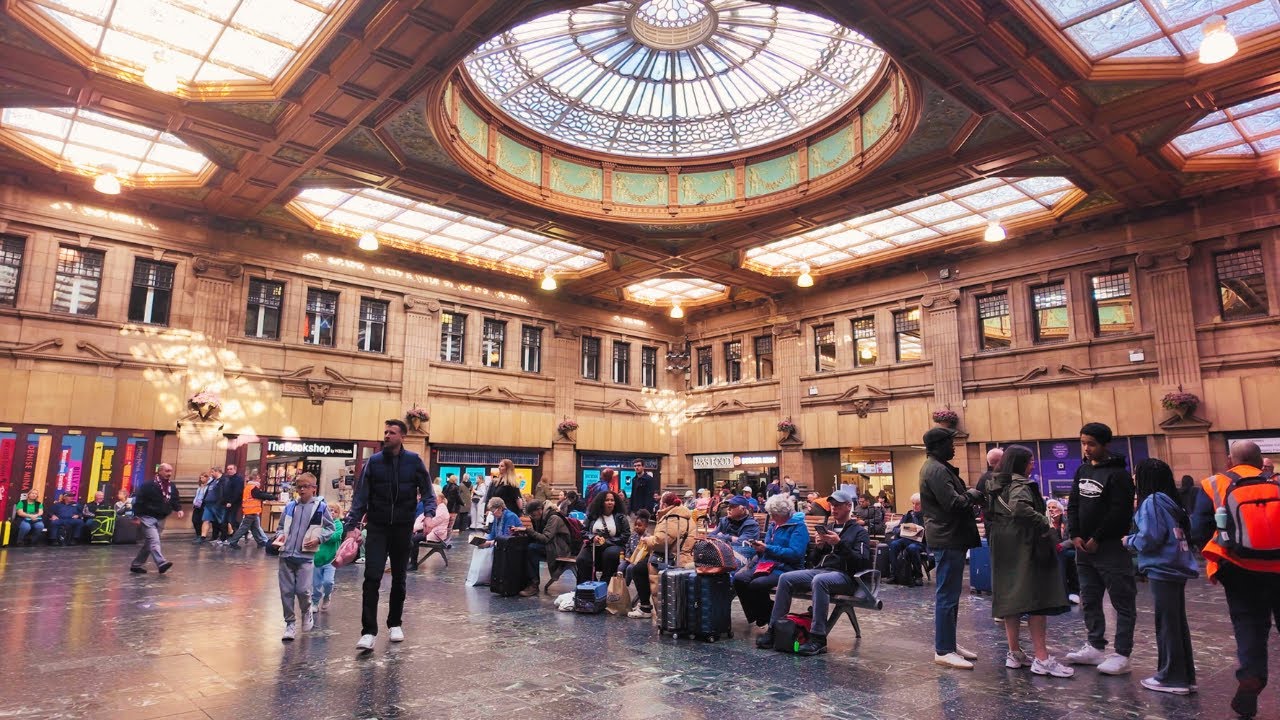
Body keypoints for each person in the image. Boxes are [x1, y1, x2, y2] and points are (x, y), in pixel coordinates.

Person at [1192, 440, 1279, 718]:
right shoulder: (1276, 485)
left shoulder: (1212, 485)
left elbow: (1199, 529)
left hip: (1239, 568)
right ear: (1259, 461)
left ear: (1230, 460)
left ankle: (1251, 677)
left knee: (1249, 625)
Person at [343, 419, 434, 651]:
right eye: (385, 431)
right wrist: (352, 524)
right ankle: (368, 632)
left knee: (399, 578)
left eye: (391, 432)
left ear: (402, 436)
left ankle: (395, 623)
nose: (386, 435)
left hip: (402, 527)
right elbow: (361, 496)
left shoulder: (413, 461)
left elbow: (427, 490)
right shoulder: (373, 462)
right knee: (371, 577)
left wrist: (430, 514)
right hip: (377, 527)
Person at [986, 445, 1073, 677]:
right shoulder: (1021, 484)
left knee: (1010, 598)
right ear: (1020, 463)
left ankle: (1014, 653)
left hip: (1001, 543)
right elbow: (1020, 508)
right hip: (1024, 544)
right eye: (1030, 461)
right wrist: (1044, 520)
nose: (1033, 464)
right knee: (1036, 598)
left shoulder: (994, 483)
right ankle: (1042, 658)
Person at [757, 488, 870, 655]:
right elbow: (814, 561)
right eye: (832, 505)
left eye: (838, 505)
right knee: (786, 578)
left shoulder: (859, 532)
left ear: (848, 506)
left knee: (819, 581)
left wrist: (838, 544)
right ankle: (773, 629)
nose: (834, 508)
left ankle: (818, 638)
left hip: (846, 577)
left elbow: (861, 562)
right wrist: (818, 548)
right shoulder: (828, 527)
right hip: (823, 571)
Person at [1064, 422, 1137, 676]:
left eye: (1091, 443)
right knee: (1090, 598)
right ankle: (1095, 646)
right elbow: (1073, 503)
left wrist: (1098, 536)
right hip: (1083, 548)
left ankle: (1122, 653)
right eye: (1083, 442)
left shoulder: (1119, 475)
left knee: (1122, 601)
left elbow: (1120, 511)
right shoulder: (1082, 469)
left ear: (1105, 445)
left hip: (1110, 548)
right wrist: (1074, 534)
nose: (1086, 448)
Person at [1124, 458, 1197, 695]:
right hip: (1176, 567)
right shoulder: (1170, 501)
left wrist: (1129, 541)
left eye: (1136, 474)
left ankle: (1172, 677)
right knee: (1176, 623)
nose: (1134, 479)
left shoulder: (1152, 502)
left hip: (1162, 568)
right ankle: (1185, 676)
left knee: (1166, 624)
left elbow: (1150, 538)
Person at [918, 426, 984, 669]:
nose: (953, 447)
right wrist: (974, 494)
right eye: (949, 442)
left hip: (951, 537)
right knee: (946, 595)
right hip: (947, 538)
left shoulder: (939, 467)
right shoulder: (935, 469)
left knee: (952, 595)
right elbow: (953, 503)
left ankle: (950, 643)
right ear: (937, 446)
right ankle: (943, 649)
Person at [733, 494, 810, 629]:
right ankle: (764, 615)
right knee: (739, 579)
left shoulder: (798, 527)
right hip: (767, 564)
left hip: (787, 567)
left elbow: (795, 554)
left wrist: (768, 548)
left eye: (774, 515)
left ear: (784, 513)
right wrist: (760, 548)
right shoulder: (774, 525)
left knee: (757, 584)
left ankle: (769, 616)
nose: (772, 518)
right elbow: (768, 547)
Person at [274, 473, 334, 641]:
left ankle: (307, 611)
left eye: (305, 486)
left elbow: (330, 528)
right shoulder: (290, 506)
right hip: (286, 554)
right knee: (286, 591)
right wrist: (280, 536)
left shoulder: (320, 507)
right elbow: (281, 526)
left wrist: (319, 539)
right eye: (299, 486)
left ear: (314, 488)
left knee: (302, 590)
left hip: (306, 556)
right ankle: (290, 624)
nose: (301, 490)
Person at [638, 493, 697, 621]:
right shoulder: (686, 515)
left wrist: (647, 540)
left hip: (670, 561)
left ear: (664, 504)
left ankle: (664, 618)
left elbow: (660, 542)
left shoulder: (672, 517)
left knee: (662, 591)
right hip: (685, 558)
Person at [130, 463, 183, 574]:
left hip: (161, 518)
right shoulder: (148, 485)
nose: (169, 473)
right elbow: (139, 500)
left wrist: (179, 509)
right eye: (167, 471)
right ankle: (161, 563)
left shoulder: (171, 486)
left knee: (149, 543)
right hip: (147, 517)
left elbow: (174, 499)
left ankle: (136, 564)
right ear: (160, 471)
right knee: (154, 540)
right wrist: (136, 515)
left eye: (170, 471)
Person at [575, 490, 630, 582]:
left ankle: (606, 583)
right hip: (593, 545)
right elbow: (583, 531)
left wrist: (607, 542)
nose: (610, 502)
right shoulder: (592, 516)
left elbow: (626, 535)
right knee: (582, 559)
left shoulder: (620, 517)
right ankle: (588, 585)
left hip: (614, 545)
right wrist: (592, 537)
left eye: (612, 500)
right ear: (601, 502)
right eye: (607, 500)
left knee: (610, 554)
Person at [522, 499, 572, 596]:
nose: (533, 518)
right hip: (552, 545)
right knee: (525, 546)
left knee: (532, 549)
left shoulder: (553, 518)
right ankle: (527, 581)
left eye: (534, 515)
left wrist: (528, 531)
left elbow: (545, 538)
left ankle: (534, 584)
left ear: (539, 510)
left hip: (560, 548)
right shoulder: (540, 517)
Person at [886, 493, 927, 585]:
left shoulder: (927, 516)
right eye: (913, 503)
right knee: (893, 544)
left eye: (917, 504)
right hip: (906, 539)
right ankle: (894, 575)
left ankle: (918, 576)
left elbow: (930, 533)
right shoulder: (909, 515)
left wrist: (921, 531)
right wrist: (900, 530)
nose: (914, 506)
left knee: (912, 548)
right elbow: (895, 529)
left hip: (920, 543)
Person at [707, 495, 760, 564]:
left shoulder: (751, 525)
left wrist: (720, 537)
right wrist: (730, 537)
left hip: (740, 561)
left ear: (743, 509)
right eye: (728, 506)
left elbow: (742, 545)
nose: (728, 509)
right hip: (720, 557)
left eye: (732, 506)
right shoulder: (725, 520)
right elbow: (710, 536)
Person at [312, 502, 344, 613]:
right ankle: (315, 602)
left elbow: (336, 536)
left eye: (335, 511)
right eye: (330, 510)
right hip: (317, 558)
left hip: (331, 559)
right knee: (315, 584)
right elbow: (314, 534)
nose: (332, 513)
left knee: (328, 582)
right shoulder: (320, 523)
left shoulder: (338, 524)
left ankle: (327, 596)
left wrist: (322, 535)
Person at [227, 473, 273, 549]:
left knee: (254, 527)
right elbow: (260, 495)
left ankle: (260, 542)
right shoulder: (253, 487)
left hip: (250, 511)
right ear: (255, 479)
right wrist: (272, 497)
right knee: (244, 528)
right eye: (259, 478)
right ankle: (233, 541)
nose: (260, 480)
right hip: (251, 511)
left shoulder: (248, 487)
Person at [1046, 499, 1079, 603]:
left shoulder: (1068, 521)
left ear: (1060, 511)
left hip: (1066, 550)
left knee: (1065, 555)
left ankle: (1069, 591)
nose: (1051, 510)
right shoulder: (1044, 523)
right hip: (1048, 551)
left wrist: (1061, 546)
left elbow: (1073, 538)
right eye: (1049, 508)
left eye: (1054, 507)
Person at [618, 509, 651, 611]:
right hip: (630, 558)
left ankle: (628, 587)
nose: (637, 527)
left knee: (630, 569)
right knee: (621, 567)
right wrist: (627, 556)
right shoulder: (633, 536)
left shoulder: (647, 537)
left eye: (640, 525)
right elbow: (628, 546)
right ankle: (620, 587)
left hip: (639, 560)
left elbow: (646, 552)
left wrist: (636, 560)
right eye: (635, 525)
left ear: (645, 526)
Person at [201, 469, 226, 544]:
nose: (211, 474)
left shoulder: (223, 480)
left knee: (220, 520)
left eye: (212, 472)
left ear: (217, 471)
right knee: (206, 519)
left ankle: (225, 537)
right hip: (208, 503)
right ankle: (203, 537)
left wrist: (220, 502)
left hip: (217, 504)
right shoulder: (213, 481)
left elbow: (223, 492)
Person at [221, 463, 245, 541]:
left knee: (231, 521)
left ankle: (233, 538)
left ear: (235, 469)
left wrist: (231, 502)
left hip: (234, 503)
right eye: (228, 469)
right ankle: (224, 538)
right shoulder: (228, 478)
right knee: (225, 521)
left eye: (231, 469)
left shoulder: (238, 479)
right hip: (227, 503)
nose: (229, 471)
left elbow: (237, 492)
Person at [190, 473, 211, 541]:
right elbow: (197, 495)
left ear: (206, 478)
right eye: (200, 478)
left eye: (203, 478)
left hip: (204, 505)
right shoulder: (200, 486)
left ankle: (201, 535)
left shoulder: (208, 487)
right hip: (197, 505)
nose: (201, 479)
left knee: (201, 521)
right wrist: (194, 502)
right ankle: (198, 534)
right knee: (194, 520)